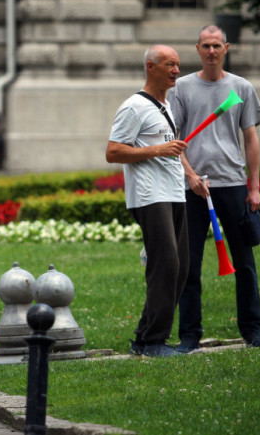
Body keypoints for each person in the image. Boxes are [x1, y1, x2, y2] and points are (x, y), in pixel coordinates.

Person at [168, 25, 260, 353]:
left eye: (217, 46)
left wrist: (253, 188)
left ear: (226, 48)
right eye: (205, 46)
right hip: (194, 188)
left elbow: (250, 138)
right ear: (196, 49)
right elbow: (174, 140)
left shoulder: (241, 87)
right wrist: (190, 176)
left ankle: (253, 331)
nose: (211, 51)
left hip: (232, 186)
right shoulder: (182, 88)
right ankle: (189, 336)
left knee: (245, 262)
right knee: (189, 265)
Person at [106, 45, 189, 358]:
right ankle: (154, 343)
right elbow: (113, 151)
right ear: (151, 67)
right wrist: (157, 150)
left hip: (173, 193)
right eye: (170, 64)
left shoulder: (163, 106)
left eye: (178, 65)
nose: (176, 71)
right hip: (149, 195)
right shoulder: (134, 107)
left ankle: (145, 339)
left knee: (179, 268)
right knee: (165, 265)